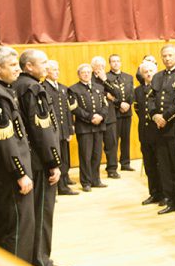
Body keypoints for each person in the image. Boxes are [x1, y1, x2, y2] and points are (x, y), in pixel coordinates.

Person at [15, 49, 69, 266]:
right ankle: (41, 260)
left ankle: (32, 258)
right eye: (43, 62)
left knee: (31, 215)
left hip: (28, 159)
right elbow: (42, 130)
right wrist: (53, 162)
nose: (47, 66)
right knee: (42, 213)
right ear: (29, 66)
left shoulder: (17, 85)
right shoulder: (33, 88)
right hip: (40, 162)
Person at [0, 47, 35, 264]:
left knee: (5, 229)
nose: (18, 69)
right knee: (16, 231)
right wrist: (19, 173)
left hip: (3, 175)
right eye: (12, 65)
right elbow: (4, 140)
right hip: (7, 177)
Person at [148, 44, 175, 214]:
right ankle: (171, 200)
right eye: (164, 56)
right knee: (164, 167)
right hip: (159, 129)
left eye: (170, 55)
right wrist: (154, 115)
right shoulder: (157, 76)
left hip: (174, 127)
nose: (167, 58)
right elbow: (150, 98)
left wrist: (165, 117)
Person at [69, 64, 109, 192]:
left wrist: (101, 116)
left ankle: (96, 180)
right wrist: (91, 117)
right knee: (85, 156)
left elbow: (105, 105)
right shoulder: (73, 89)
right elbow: (75, 108)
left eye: (88, 72)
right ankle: (86, 182)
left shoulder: (99, 87)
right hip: (85, 127)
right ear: (79, 75)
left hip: (99, 126)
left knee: (97, 155)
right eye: (83, 72)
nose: (86, 74)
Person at [43, 60, 78, 195]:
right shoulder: (43, 88)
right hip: (53, 131)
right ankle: (59, 187)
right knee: (55, 159)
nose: (57, 72)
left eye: (58, 69)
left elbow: (67, 110)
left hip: (63, 130)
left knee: (64, 158)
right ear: (47, 72)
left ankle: (64, 182)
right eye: (54, 69)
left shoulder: (63, 88)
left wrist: (70, 128)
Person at [134, 60, 162, 206]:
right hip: (144, 133)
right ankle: (154, 193)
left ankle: (165, 194)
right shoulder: (138, 91)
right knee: (149, 165)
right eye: (146, 72)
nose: (149, 74)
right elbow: (138, 109)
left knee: (161, 165)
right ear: (142, 74)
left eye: (151, 71)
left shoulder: (160, 88)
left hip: (158, 133)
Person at [91, 56, 121, 179]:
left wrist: (105, 80)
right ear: (93, 67)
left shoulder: (108, 78)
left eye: (102, 66)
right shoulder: (89, 78)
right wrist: (106, 94)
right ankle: (94, 173)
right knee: (95, 148)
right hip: (96, 117)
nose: (100, 68)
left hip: (110, 116)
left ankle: (112, 169)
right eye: (98, 66)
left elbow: (117, 94)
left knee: (112, 144)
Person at [107, 54, 135, 172]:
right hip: (114, 113)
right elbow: (108, 95)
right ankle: (113, 165)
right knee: (113, 140)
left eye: (118, 61)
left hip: (127, 112)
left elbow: (132, 93)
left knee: (126, 138)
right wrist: (119, 104)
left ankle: (125, 163)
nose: (116, 63)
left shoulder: (128, 77)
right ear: (110, 63)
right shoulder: (106, 78)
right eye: (113, 61)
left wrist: (128, 104)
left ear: (121, 62)